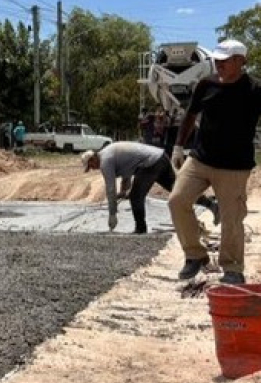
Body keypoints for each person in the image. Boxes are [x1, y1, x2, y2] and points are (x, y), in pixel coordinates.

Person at [168, 39, 261, 285]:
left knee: (231, 218)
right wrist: (179, 146)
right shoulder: (206, 84)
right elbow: (190, 114)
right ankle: (195, 255)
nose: (219, 64)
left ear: (241, 61)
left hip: (234, 166)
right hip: (200, 159)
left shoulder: (254, 90)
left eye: (225, 61)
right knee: (177, 200)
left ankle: (232, 268)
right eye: (217, 60)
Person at [81, 143, 219, 234]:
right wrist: (124, 192)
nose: (93, 169)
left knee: (136, 197)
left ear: (93, 159)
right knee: (178, 190)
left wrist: (112, 213)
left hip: (150, 164)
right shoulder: (109, 153)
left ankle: (141, 229)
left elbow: (110, 189)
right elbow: (127, 173)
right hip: (160, 157)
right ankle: (212, 205)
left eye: (91, 166)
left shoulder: (105, 161)